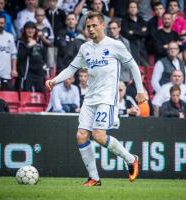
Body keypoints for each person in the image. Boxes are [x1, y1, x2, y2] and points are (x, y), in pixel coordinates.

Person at [45, 11, 147, 186]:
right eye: (87, 26)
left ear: (102, 25)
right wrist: (55, 80)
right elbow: (72, 68)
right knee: (81, 135)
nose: (90, 29)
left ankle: (131, 159)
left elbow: (133, 66)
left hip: (107, 98)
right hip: (89, 98)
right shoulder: (85, 48)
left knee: (99, 136)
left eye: (93, 25)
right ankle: (94, 178)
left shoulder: (115, 45)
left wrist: (140, 90)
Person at [16, 21, 46, 92]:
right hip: (26, 74)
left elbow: (44, 57)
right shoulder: (20, 42)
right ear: (24, 30)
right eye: (28, 28)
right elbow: (19, 57)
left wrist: (44, 70)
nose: (30, 30)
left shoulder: (39, 43)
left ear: (35, 30)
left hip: (39, 74)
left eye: (32, 29)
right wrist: (29, 46)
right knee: (26, 96)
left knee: (41, 96)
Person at [120, 0, 148, 66]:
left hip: (142, 46)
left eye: (134, 7)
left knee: (146, 66)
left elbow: (146, 33)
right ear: (128, 9)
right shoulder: (124, 20)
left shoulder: (141, 19)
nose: (133, 9)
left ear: (137, 9)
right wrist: (140, 31)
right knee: (135, 66)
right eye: (131, 7)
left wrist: (133, 31)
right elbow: (126, 34)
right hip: (131, 46)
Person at [108, 19, 132, 84]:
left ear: (119, 28)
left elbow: (129, 59)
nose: (112, 31)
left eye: (114, 28)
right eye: (110, 29)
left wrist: (131, 77)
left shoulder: (125, 42)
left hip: (124, 76)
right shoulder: (104, 42)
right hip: (109, 76)